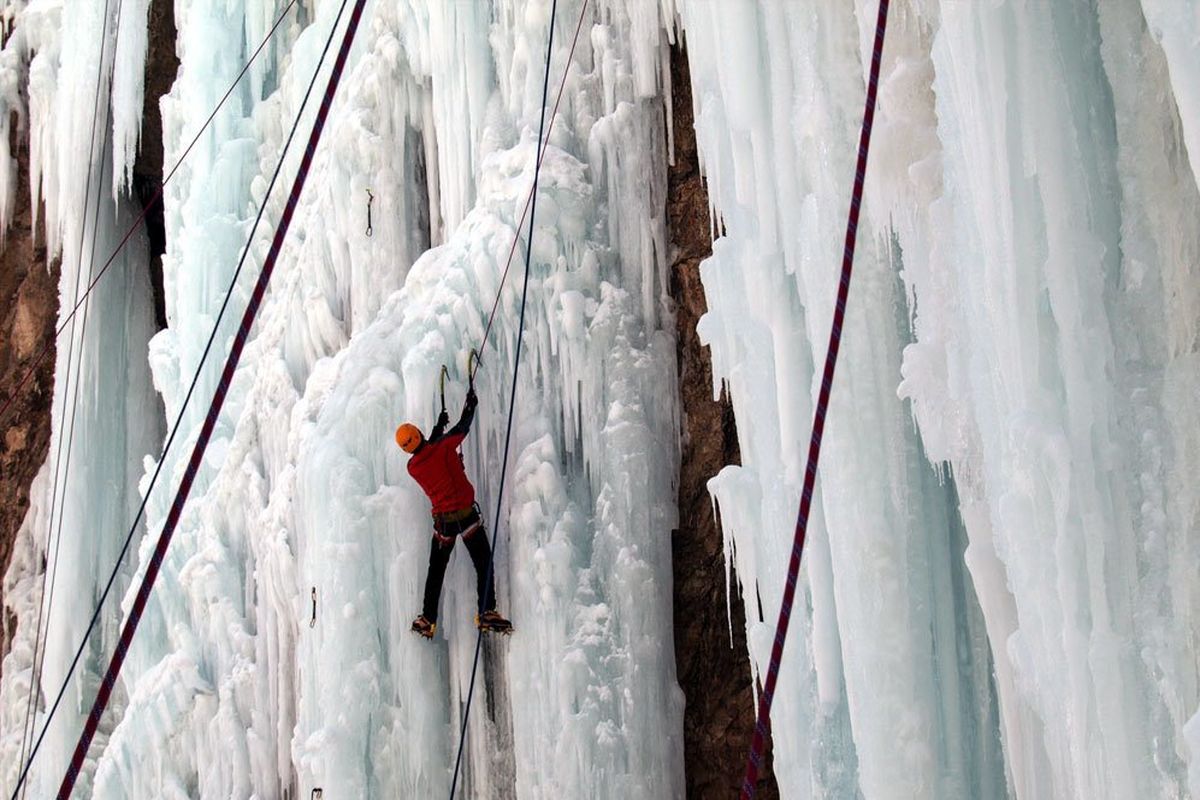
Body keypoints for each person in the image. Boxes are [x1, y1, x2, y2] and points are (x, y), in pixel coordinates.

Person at [395, 385, 512, 638]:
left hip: (443, 526)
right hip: (466, 517)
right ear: (418, 433)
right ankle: (486, 611)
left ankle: (428, 619)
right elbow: (462, 429)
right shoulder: (443, 448)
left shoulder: (412, 467)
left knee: (435, 572)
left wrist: (438, 426)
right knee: (483, 563)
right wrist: (470, 405)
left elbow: (428, 449)